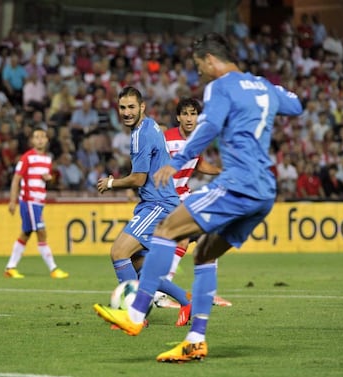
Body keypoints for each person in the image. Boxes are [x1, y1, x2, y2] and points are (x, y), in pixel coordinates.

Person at [93, 32, 303, 362]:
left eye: (198, 67)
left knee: (167, 229)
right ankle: (195, 341)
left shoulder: (220, 86)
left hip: (236, 184)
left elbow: (207, 128)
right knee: (204, 254)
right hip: (265, 191)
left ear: (210, 60)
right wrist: (268, 93)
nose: (199, 74)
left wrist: (176, 163)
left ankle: (135, 315)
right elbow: (296, 104)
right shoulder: (261, 85)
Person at [96, 86, 192, 326]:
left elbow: (138, 178)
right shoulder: (150, 126)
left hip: (159, 204)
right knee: (140, 265)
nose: (126, 112)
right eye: (122, 108)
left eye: (131, 107)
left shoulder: (141, 134)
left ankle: (133, 314)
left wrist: (111, 183)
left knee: (119, 252)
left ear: (142, 107)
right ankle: (186, 300)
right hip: (157, 202)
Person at [158, 97, 231, 308]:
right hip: (167, 197)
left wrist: (220, 171)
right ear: (178, 117)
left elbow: (199, 165)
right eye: (186, 114)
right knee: (182, 238)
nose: (190, 118)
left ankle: (207, 293)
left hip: (184, 194)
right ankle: (160, 293)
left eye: (193, 113)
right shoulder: (166, 139)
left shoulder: (198, 139)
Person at [4, 126, 69, 279]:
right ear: (32, 140)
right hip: (29, 201)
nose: (40, 139)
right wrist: (12, 201)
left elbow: (45, 181)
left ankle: (10, 267)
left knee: (25, 233)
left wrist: (49, 179)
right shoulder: (27, 157)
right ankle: (53, 269)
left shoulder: (47, 159)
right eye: (37, 137)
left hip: (39, 202)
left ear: (47, 140)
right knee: (41, 233)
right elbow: (16, 179)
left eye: (42, 137)